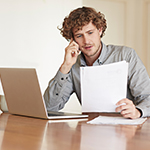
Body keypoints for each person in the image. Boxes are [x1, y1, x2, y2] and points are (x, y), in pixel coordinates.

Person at [44, 6, 150, 119]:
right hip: (90, 129)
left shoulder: (126, 56)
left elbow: (147, 97)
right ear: (73, 40)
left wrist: (138, 111)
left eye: (90, 32)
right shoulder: (73, 65)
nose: (86, 41)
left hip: (126, 127)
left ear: (100, 30)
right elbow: (50, 107)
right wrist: (65, 66)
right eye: (79, 36)